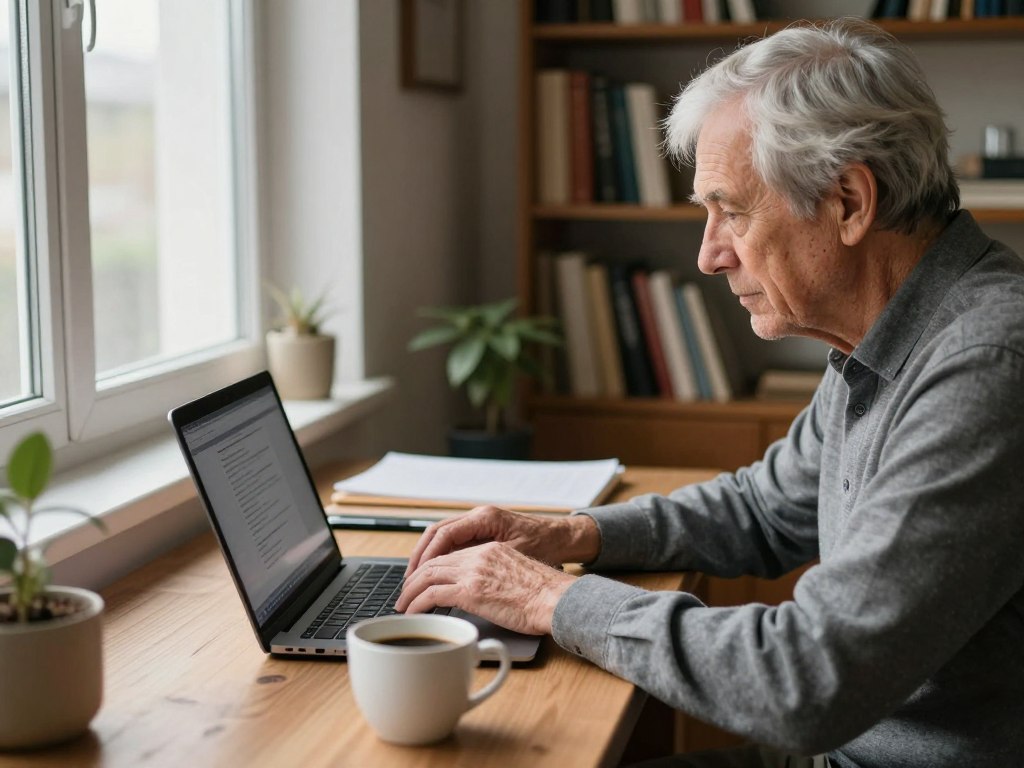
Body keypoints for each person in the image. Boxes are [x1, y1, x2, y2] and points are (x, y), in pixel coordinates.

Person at [395, 18, 1024, 768]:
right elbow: (764, 507)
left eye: (731, 209)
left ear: (851, 202)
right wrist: (573, 535)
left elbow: (807, 680)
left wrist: (544, 599)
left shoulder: (987, 366)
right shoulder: (885, 332)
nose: (707, 254)